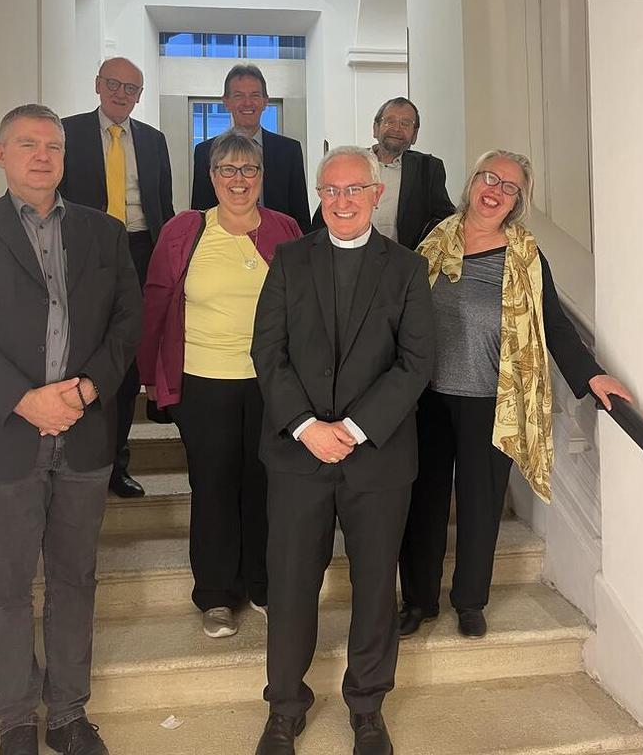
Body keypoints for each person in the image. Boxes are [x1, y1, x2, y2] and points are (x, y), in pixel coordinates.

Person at [0, 104, 142, 755]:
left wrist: (85, 389)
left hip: (83, 432)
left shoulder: (104, 233)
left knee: (76, 580)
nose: (43, 155)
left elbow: (126, 324)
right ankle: (18, 720)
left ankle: (70, 714)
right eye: (27, 144)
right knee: (6, 588)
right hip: (1, 438)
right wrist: (26, 401)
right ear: (1, 155)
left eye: (53, 145)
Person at [398, 149, 633, 640]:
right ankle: (418, 600)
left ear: (518, 201)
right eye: (490, 178)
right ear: (472, 182)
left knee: (481, 504)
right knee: (424, 501)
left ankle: (470, 601)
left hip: (493, 399)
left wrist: (591, 375)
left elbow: (555, 323)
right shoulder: (434, 239)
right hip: (427, 396)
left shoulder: (525, 254)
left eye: (510, 187)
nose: (496, 191)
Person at [251, 146, 434, 755]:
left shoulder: (407, 268)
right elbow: (267, 351)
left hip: (377, 457)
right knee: (291, 584)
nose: (342, 200)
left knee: (376, 585)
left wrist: (352, 428)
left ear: (377, 195)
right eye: (331, 190)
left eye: (355, 189)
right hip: (297, 453)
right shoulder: (288, 259)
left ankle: (368, 707)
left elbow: (416, 363)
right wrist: (306, 425)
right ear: (319, 197)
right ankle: (284, 707)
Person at [137, 130, 301, 638]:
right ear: (211, 177)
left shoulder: (285, 229)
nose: (238, 179)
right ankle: (215, 594)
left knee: (265, 484)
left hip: (270, 384)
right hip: (202, 381)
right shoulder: (185, 230)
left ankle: (263, 585)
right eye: (227, 169)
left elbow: (306, 307)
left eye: (249, 169)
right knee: (212, 487)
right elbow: (156, 303)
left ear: (262, 177)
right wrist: (150, 378)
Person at [60, 56, 175, 498]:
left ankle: (116, 465)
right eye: (113, 84)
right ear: (97, 84)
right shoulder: (67, 132)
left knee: (127, 358)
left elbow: (163, 204)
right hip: (85, 255)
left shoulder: (153, 140)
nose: (121, 94)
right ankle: (78, 457)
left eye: (131, 88)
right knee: (84, 351)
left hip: (141, 250)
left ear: (140, 96)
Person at [311, 97, 454, 247]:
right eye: (389, 121)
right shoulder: (351, 163)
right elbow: (325, 213)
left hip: (403, 257)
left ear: (415, 135)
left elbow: (446, 220)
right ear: (375, 128)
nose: (396, 129)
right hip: (346, 253)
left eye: (405, 124)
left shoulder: (428, 169)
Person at [191, 63, 311, 233]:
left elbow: (300, 216)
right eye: (238, 96)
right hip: (223, 241)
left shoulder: (289, 151)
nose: (247, 103)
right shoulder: (205, 152)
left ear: (265, 101)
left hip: (279, 243)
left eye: (255, 95)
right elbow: (201, 212)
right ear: (226, 102)